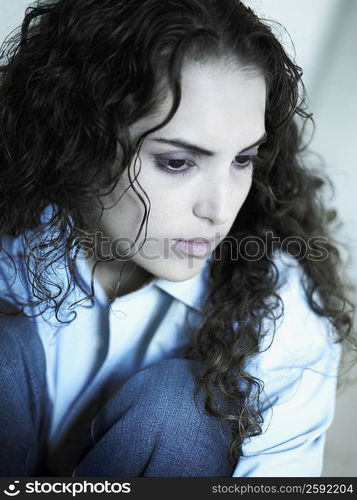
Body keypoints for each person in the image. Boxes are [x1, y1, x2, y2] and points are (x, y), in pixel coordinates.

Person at [0, 0, 355, 478]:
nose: (219, 207)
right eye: (177, 162)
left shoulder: (282, 310)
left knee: (187, 407)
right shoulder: (13, 238)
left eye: (243, 159)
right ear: (77, 140)